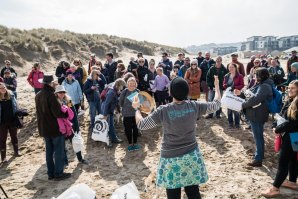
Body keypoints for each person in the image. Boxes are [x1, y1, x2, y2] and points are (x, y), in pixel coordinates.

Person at [132, 76, 221, 199]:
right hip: (191, 155)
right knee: (193, 192)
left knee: (173, 194)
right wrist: (216, 87)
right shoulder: (194, 106)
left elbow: (142, 124)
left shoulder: (163, 110)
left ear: (171, 92)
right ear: (186, 91)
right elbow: (216, 104)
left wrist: (136, 109)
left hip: (170, 158)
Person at [261, 80, 298, 198]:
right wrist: (274, 124)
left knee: (283, 162)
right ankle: (292, 182)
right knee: (293, 160)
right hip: (291, 135)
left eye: (293, 88)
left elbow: (293, 123)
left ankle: (275, 188)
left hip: (293, 136)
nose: (289, 90)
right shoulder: (290, 100)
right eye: (289, 88)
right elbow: (281, 115)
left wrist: (277, 129)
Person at [234, 68, 273, 167]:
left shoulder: (265, 86)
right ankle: (260, 154)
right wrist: (241, 94)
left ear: (261, 76)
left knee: (258, 137)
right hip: (256, 113)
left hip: (258, 115)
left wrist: (242, 105)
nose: (254, 76)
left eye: (256, 74)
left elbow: (255, 100)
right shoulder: (261, 84)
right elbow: (250, 95)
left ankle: (258, 159)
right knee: (259, 136)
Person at [35, 75, 71, 180]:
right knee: (59, 151)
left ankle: (50, 173)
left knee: (49, 152)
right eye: (54, 82)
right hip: (54, 128)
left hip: (44, 128)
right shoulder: (51, 96)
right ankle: (58, 173)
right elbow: (58, 113)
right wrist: (66, 114)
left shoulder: (38, 95)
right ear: (50, 83)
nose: (55, 84)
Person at [54, 85, 88, 165]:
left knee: (75, 142)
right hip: (61, 127)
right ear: (56, 93)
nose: (62, 94)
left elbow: (74, 114)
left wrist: (76, 126)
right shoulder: (54, 102)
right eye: (60, 92)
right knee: (62, 145)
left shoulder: (68, 101)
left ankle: (80, 159)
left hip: (70, 126)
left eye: (63, 92)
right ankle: (65, 161)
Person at [101, 79, 126, 148]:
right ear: (119, 85)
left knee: (111, 126)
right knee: (107, 126)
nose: (122, 88)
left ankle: (114, 139)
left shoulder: (115, 90)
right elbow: (106, 103)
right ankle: (108, 141)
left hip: (110, 110)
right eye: (122, 86)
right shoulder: (111, 92)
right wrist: (105, 115)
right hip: (107, 110)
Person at [119, 77, 140, 152]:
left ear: (135, 84)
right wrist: (125, 107)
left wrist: (137, 105)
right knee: (128, 129)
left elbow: (140, 102)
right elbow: (120, 102)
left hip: (135, 114)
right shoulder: (125, 91)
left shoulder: (137, 91)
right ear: (127, 84)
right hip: (127, 114)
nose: (131, 85)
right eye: (130, 84)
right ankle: (130, 144)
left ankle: (135, 143)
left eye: (133, 84)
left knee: (135, 129)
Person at [0, 83, 20, 164]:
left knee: (14, 136)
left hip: (12, 120)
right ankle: (3, 157)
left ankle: (16, 152)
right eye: (1, 88)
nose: (3, 89)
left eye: (4, 87)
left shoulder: (11, 95)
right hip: (2, 123)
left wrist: (19, 114)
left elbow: (16, 105)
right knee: (2, 139)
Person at [223, 63, 244, 129]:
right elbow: (224, 84)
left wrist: (235, 87)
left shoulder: (239, 76)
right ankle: (230, 123)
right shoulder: (226, 76)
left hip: (236, 94)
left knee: (236, 109)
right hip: (229, 94)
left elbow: (242, 84)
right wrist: (226, 86)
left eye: (232, 67)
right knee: (229, 109)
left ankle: (237, 124)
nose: (231, 68)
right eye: (230, 67)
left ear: (235, 68)